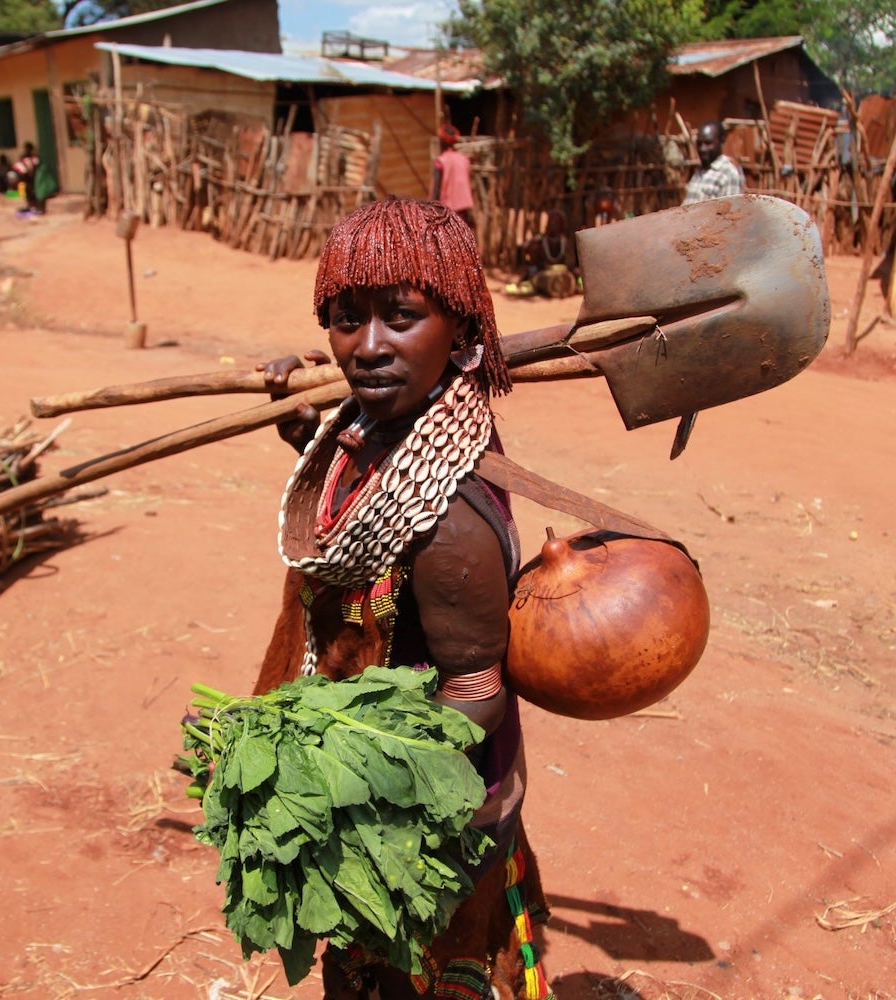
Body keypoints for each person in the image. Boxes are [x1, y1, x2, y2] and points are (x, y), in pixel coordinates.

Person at [254, 198, 550, 1000]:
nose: (368, 347)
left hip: (425, 806)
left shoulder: (449, 523)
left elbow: (474, 695)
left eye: (401, 317)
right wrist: (307, 432)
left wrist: (334, 773)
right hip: (371, 775)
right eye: (346, 320)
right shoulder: (388, 428)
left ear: (461, 331)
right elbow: (358, 504)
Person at [505, 209, 579, 299]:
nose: (553, 225)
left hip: (562, 272)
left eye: (557, 222)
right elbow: (527, 252)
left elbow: (570, 262)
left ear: (561, 225)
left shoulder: (565, 242)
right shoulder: (541, 240)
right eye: (552, 222)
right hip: (543, 271)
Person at [682, 119, 744, 205]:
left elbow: (729, 213)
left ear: (721, 140)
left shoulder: (728, 173)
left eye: (708, 143)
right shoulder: (700, 171)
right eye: (699, 144)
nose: (702, 149)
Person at [430, 124, 475, 227]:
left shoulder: (440, 162)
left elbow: (435, 192)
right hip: (464, 212)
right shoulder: (464, 159)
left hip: (447, 215)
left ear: (441, 142)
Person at [10, 142, 53, 217]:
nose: (27, 151)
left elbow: (36, 169)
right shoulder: (25, 158)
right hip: (27, 179)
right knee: (29, 194)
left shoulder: (35, 158)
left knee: (37, 194)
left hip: (34, 179)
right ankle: (32, 207)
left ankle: (38, 208)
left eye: (29, 149)